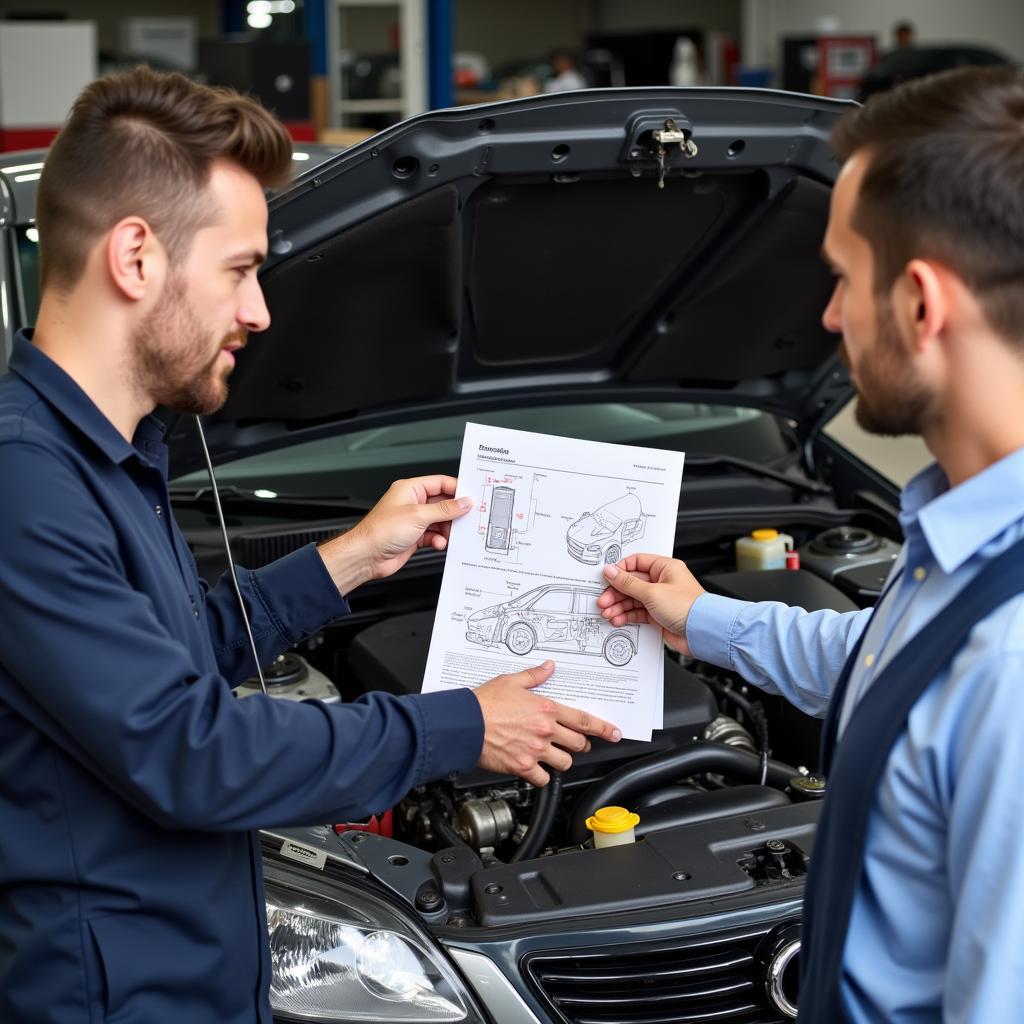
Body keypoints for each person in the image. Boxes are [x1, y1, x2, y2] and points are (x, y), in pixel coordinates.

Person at [0, 67, 620, 1023]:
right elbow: (187, 749)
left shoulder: (112, 454)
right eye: (241, 270)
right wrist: (457, 726)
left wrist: (352, 558)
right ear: (135, 257)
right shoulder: (24, 482)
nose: (260, 313)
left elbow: (175, 661)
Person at [598, 66, 1024, 1022]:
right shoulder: (968, 545)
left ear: (921, 303)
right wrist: (700, 619)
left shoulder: (1013, 666)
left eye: (841, 280)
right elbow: (885, 664)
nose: (828, 320)